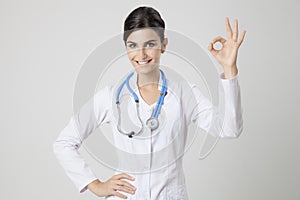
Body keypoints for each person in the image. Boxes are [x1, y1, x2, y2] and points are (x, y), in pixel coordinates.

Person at [53, 6, 246, 200]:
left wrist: (229, 69)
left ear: (164, 44)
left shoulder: (185, 94)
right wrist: (95, 185)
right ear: (126, 48)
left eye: (150, 44)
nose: (142, 54)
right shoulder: (111, 97)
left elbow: (229, 129)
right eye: (133, 45)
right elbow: (64, 143)